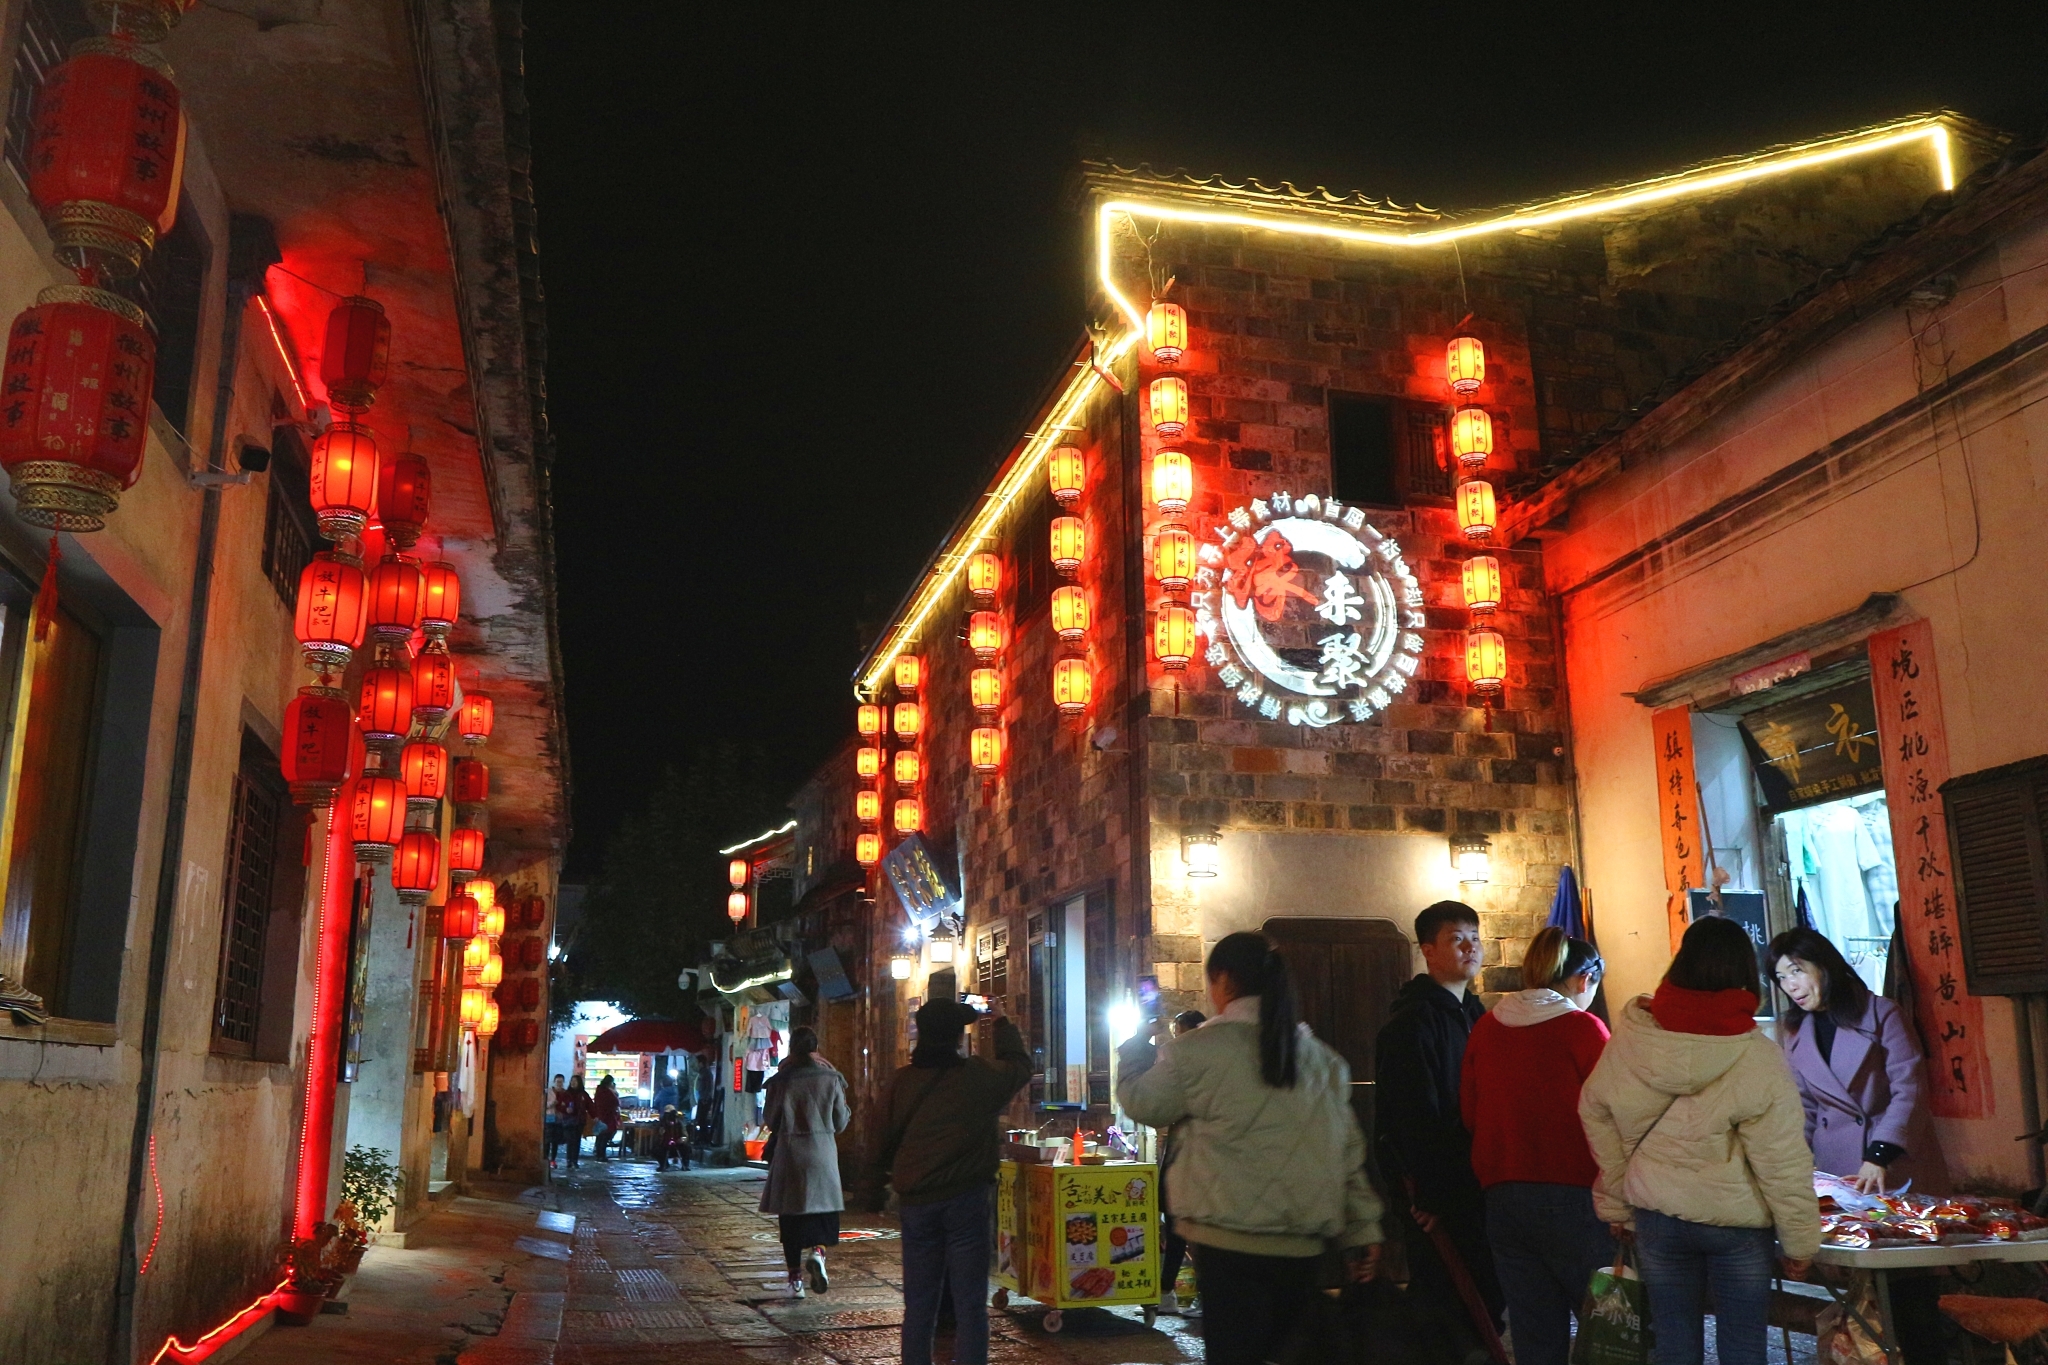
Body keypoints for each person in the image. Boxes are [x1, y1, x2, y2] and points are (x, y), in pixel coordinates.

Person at [1119, 933, 1383, 1365]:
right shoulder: (1323, 1060)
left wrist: (1135, 1045)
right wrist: (1364, 1229)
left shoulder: (1195, 1051)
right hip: (1303, 1241)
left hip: (1226, 1238)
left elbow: (1144, 1103)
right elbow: (1347, 1152)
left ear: (1223, 979)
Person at [1579, 916, 1819, 1365]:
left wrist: (1616, 1200)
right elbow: (1781, 1159)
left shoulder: (1631, 1040)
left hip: (1658, 1218)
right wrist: (1800, 1241)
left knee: (1673, 1345)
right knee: (1744, 1349)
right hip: (1737, 1227)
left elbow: (1595, 1111)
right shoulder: (1757, 1056)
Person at [1772, 927, 1943, 1365]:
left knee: (1910, 1283)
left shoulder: (1882, 1013)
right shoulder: (1794, 1032)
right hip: (1840, 1175)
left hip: (1894, 1165)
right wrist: (1799, 1173)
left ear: (1823, 965)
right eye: (1780, 977)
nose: (1790, 985)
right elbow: (1804, 1108)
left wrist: (1880, 1153)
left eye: (1797, 970)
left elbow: (1910, 1087)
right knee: (1858, 1291)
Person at [1460, 928, 1612, 1365]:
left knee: (1533, 1329)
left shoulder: (1487, 1027)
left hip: (1503, 1196)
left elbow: (1470, 1113)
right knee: (1604, 1327)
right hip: (1575, 1195)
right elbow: (1612, 1115)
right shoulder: (1584, 1029)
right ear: (1584, 980)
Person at [867, 998, 1032, 1365]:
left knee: (920, 1306)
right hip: (966, 1201)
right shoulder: (978, 1077)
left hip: (917, 1202)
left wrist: (873, 1189)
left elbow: (876, 1139)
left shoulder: (900, 1082)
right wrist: (1002, 1022)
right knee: (970, 1304)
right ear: (959, 1036)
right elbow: (1020, 1066)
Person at [1374, 900, 1503, 1352]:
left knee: (1483, 1305)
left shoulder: (1477, 1015)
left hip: (1477, 1184)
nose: (1470, 948)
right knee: (1445, 1312)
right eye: (1456, 939)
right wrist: (1430, 1194)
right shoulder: (1412, 1024)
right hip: (1439, 1196)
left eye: (1475, 937)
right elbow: (1413, 1117)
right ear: (1428, 951)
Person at [760, 1026, 852, 1297]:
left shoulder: (781, 1080)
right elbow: (840, 1121)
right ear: (816, 1047)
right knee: (823, 1212)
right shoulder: (831, 1078)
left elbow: (771, 1120)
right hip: (821, 1152)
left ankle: (795, 1281)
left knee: (790, 1218)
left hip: (789, 1153)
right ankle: (818, 1253)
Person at [1157, 1008, 1206, 1319]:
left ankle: (1195, 1293)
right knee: (1175, 1227)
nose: (1177, 1039)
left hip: (1199, 1161)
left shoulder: (1203, 1068)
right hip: (1179, 1157)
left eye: (1181, 1033)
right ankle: (1166, 1292)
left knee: (1196, 1230)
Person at [556, 1075, 591, 1169]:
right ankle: (569, 1160)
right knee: (570, 1140)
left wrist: (595, 1116)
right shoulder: (566, 1094)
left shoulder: (583, 1094)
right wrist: (565, 1109)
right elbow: (559, 1105)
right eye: (572, 1081)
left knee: (577, 1141)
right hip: (568, 1121)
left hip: (579, 1121)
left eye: (575, 1081)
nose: (573, 1082)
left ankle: (574, 1160)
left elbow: (590, 1106)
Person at [592, 1075, 621, 1161]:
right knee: (605, 1136)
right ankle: (602, 1155)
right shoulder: (607, 1092)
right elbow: (615, 1102)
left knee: (601, 1136)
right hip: (607, 1117)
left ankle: (598, 1154)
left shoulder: (599, 1091)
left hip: (601, 1116)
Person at [656, 1105, 690, 1171]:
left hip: (678, 1144)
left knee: (687, 1148)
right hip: (665, 1145)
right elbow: (659, 1136)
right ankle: (664, 1165)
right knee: (657, 1150)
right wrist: (661, 1134)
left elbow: (684, 1134)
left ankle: (685, 1165)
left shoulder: (679, 1123)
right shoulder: (663, 1123)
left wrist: (683, 1139)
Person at [545, 1074, 566, 1169]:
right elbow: (543, 1104)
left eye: (561, 1082)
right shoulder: (549, 1092)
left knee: (555, 1140)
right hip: (549, 1117)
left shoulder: (565, 1093)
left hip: (559, 1119)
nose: (559, 1084)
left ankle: (553, 1159)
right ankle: (545, 1159)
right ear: (554, 1082)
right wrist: (552, 1104)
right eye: (558, 1082)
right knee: (547, 1139)